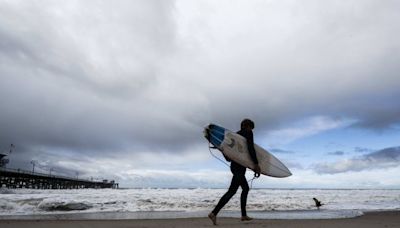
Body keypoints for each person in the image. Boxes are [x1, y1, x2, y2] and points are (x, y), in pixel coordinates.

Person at [208, 119, 261, 225]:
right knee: (240, 190)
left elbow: (229, 156)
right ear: (246, 126)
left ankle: (217, 213)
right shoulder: (248, 133)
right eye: (250, 127)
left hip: (235, 166)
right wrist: (256, 164)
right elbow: (250, 148)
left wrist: (221, 149)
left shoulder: (234, 136)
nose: (251, 130)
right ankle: (217, 213)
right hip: (239, 167)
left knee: (235, 190)